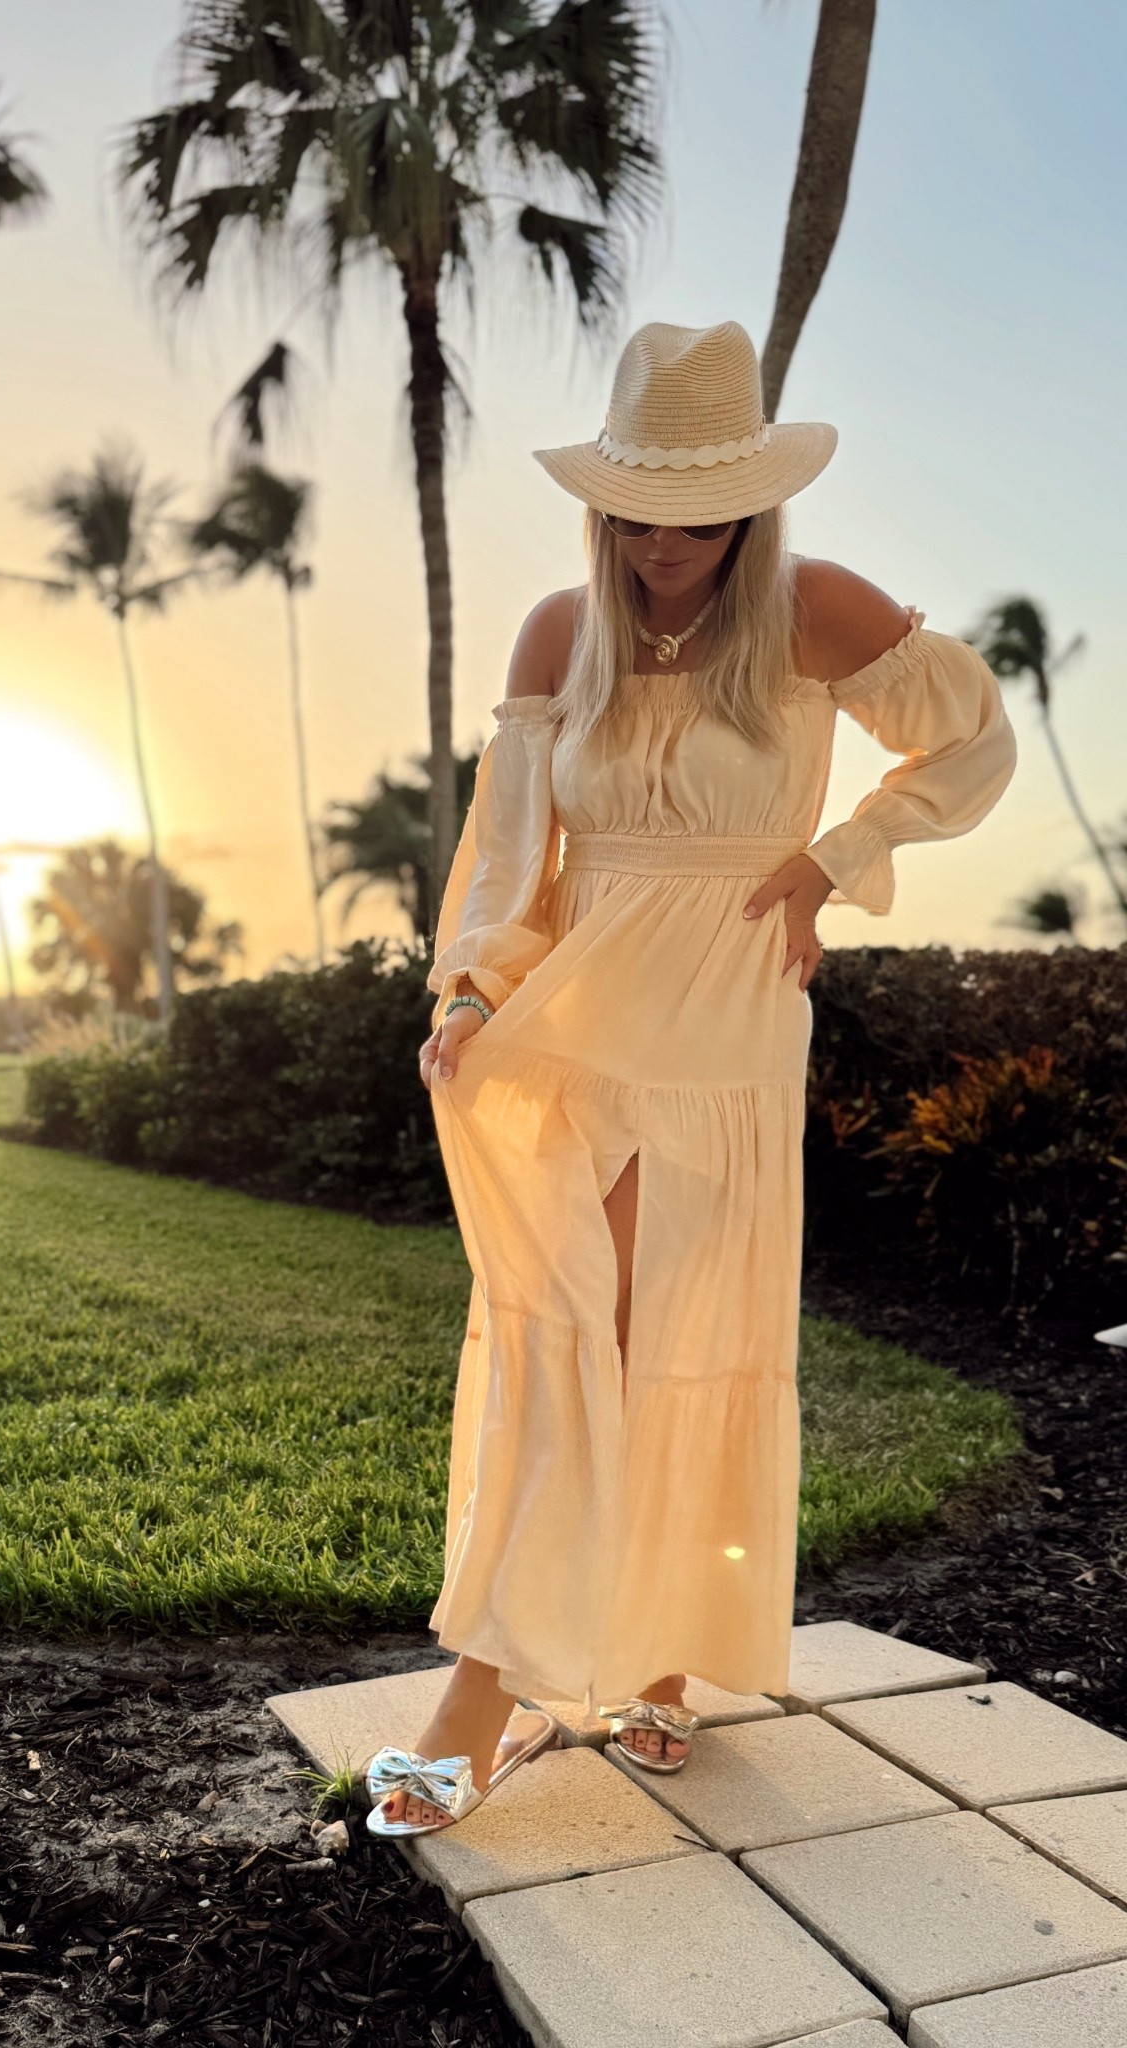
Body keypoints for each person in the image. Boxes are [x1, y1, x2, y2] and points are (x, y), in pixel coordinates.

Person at [366, 319, 1019, 1837]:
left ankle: (653, 1658)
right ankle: (489, 1688)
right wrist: (469, 986)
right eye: (636, 513)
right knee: (568, 1331)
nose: (664, 545)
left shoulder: (816, 612)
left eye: (699, 516)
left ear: (751, 508)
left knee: (676, 1330)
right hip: (580, 1011)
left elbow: (971, 746)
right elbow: (513, 853)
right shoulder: (558, 633)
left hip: (726, 1020)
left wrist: (835, 857)